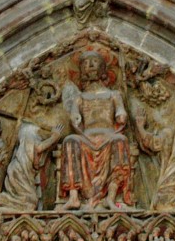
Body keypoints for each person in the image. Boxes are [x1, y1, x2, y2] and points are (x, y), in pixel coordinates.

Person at [57, 50, 133, 210]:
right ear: (81, 70)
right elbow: (75, 116)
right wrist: (75, 118)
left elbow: (121, 114)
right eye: (85, 63)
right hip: (86, 138)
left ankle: (111, 197)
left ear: (103, 69)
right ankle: (73, 197)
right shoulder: (80, 97)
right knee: (70, 140)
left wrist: (121, 114)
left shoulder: (113, 94)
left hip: (109, 137)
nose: (90, 65)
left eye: (95, 62)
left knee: (121, 140)